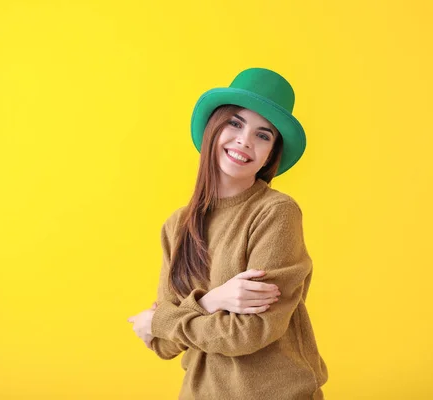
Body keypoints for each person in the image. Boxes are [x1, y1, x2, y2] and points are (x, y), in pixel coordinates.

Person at [128, 67, 328, 399]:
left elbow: (247, 333)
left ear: (269, 156)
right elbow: (165, 346)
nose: (244, 141)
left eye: (263, 135)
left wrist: (161, 320)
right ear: (213, 129)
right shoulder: (177, 226)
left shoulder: (275, 213)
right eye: (235, 123)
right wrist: (211, 301)